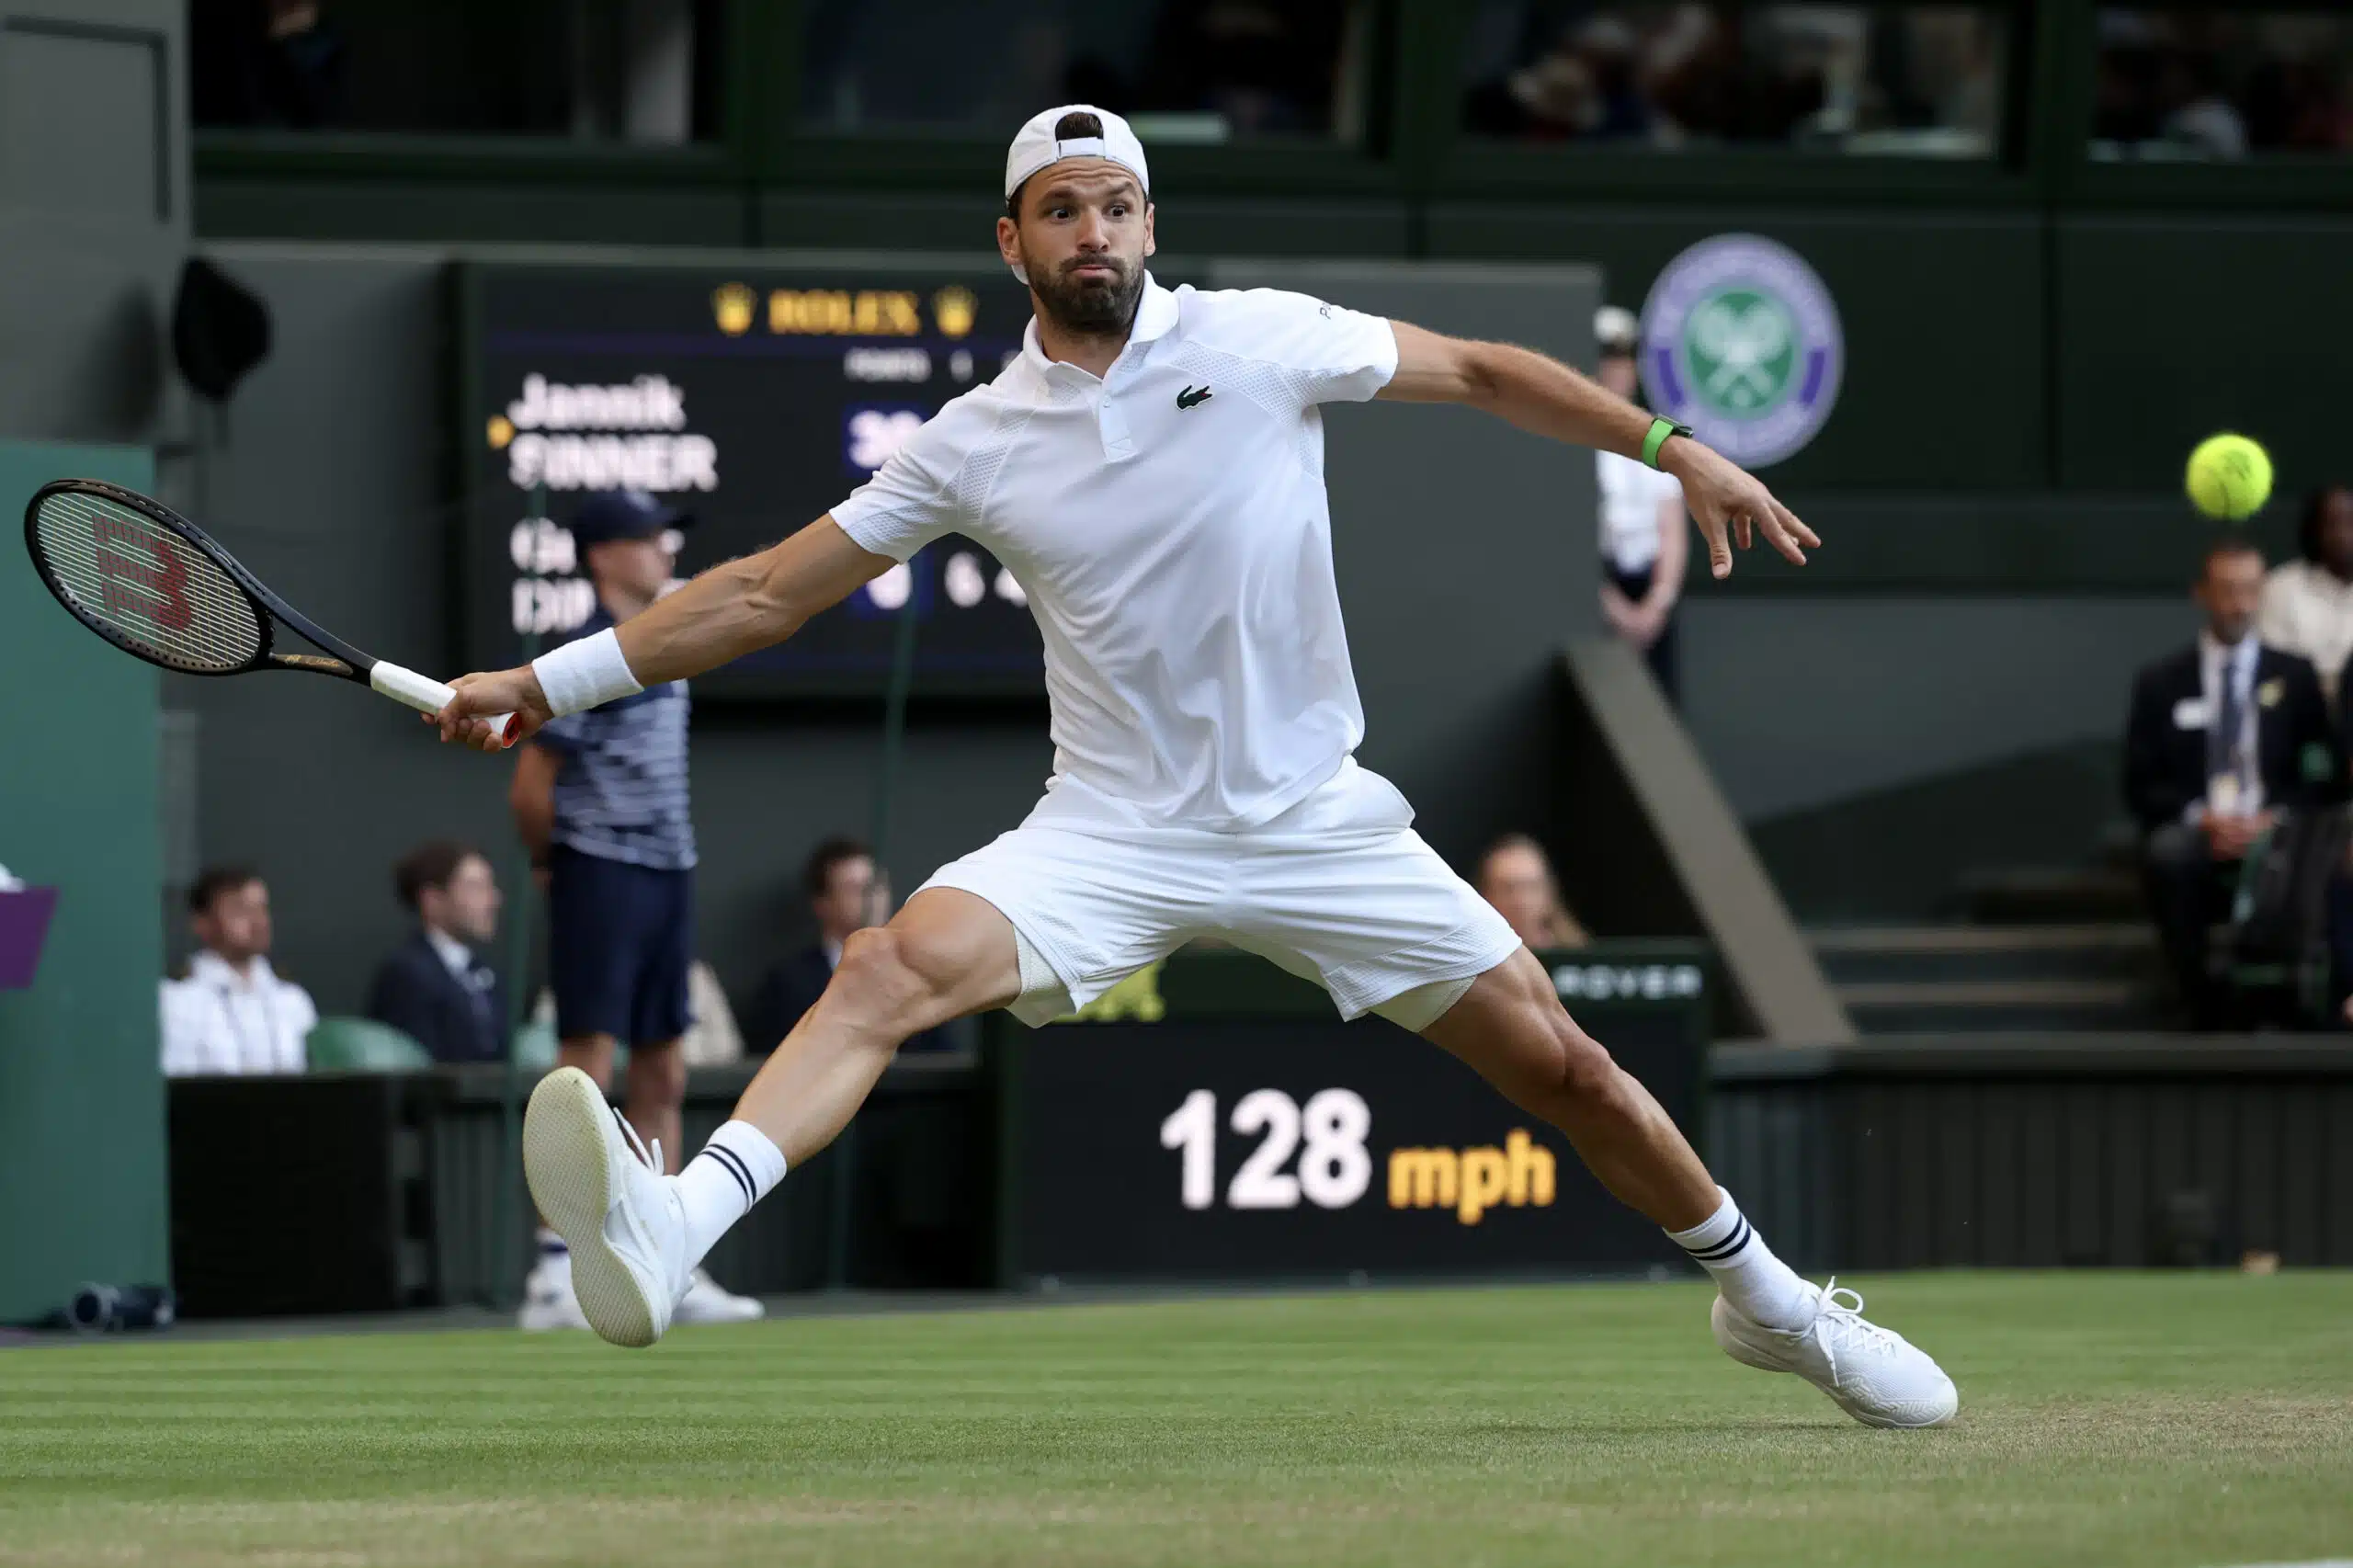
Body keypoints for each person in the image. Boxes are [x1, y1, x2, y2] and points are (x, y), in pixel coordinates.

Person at [436, 104, 1953, 1427]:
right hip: (1110, 831)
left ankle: (1772, 1304)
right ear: (1013, 243)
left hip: (1314, 819)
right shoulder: (970, 440)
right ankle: (675, 1227)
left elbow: (1490, 373)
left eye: (1116, 204)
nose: (1093, 231)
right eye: (1060, 210)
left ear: (1151, 223)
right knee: (886, 966)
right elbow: (764, 593)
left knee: (1572, 1069)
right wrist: (539, 684)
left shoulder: (1261, 338)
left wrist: (1673, 444)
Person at [506, 487, 761, 1331]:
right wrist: (556, 863)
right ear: (605, 556)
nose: (664, 552)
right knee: (585, 1068)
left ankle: (664, 1255)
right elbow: (531, 786)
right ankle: (554, 1271)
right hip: (600, 872)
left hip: (668, 874)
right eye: (649, 540)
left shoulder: (667, 644)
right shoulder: (582, 656)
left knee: (663, 1070)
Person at [2125, 539, 2340, 1027]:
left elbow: (2322, 772)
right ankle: (2197, 998)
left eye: (2249, 590)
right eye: (2226, 590)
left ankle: (2291, 1000)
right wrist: (2204, 819)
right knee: (2167, 853)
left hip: (2277, 828)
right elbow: (2141, 782)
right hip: (2199, 828)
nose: (2239, 604)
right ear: (2201, 593)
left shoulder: (2295, 676)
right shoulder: (2161, 681)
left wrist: (2275, 819)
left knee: (2315, 850)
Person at [745, 836, 951, 1055]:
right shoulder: (788, 983)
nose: (872, 897)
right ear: (822, 904)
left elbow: (944, 1058)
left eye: (876, 885)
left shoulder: (919, 973)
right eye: (855, 888)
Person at [1592, 305, 1688, 701]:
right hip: (1599, 596)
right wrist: (1611, 606)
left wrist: (1657, 604)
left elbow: (1673, 528)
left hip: (1651, 596)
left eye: (1626, 359)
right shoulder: (1573, 436)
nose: (1618, 370)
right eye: (1608, 359)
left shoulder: (1659, 435)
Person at [160, 866, 318, 1076]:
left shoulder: (291, 998)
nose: (258, 922)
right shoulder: (177, 998)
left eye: (261, 908)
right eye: (240, 910)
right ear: (202, 923)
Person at [365, 840, 506, 1064]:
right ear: (432, 900)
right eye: (475, 887)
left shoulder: (484, 972)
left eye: (490, 886)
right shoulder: (406, 974)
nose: (493, 900)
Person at [2256, 484, 2353, 704]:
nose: (2343, 534)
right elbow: (2273, 666)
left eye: (2351, 522)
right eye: (2332, 524)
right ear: (2315, 531)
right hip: (2299, 708)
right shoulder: (2280, 587)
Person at [1476, 834, 1590, 951]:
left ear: (1548, 893)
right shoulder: (1474, 955)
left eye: (1531, 887)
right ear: (1485, 897)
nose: (1521, 901)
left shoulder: (1577, 954)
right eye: (1508, 889)